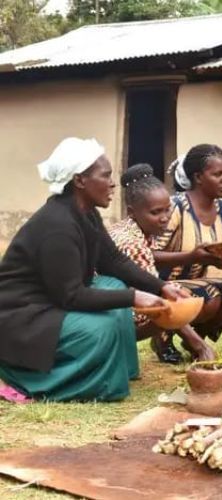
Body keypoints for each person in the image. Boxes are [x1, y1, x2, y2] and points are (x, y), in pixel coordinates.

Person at [0, 138, 179, 403]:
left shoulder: (86, 213)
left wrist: (159, 286)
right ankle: (35, 382)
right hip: (23, 315)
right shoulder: (57, 225)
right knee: (101, 327)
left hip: (49, 300)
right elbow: (70, 296)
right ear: (79, 181)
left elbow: (113, 261)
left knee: (114, 286)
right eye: (105, 175)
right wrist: (134, 297)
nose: (112, 183)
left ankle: (124, 371)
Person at [109, 163, 215, 362]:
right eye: (156, 212)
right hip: (109, 315)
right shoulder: (133, 244)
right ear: (132, 211)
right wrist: (201, 347)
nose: (164, 218)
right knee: (173, 302)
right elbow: (157, 296)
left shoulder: (132, 227)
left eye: (167, 210)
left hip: (114, 303)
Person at [152, 144, 222, 361]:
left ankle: (195, 338)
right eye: (217, 174)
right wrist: (190, 257)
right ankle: (162, 336)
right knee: (211, 296)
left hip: (204, 282)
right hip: (166, 284)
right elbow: (150, 256)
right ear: (198, 177)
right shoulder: (175, 207)